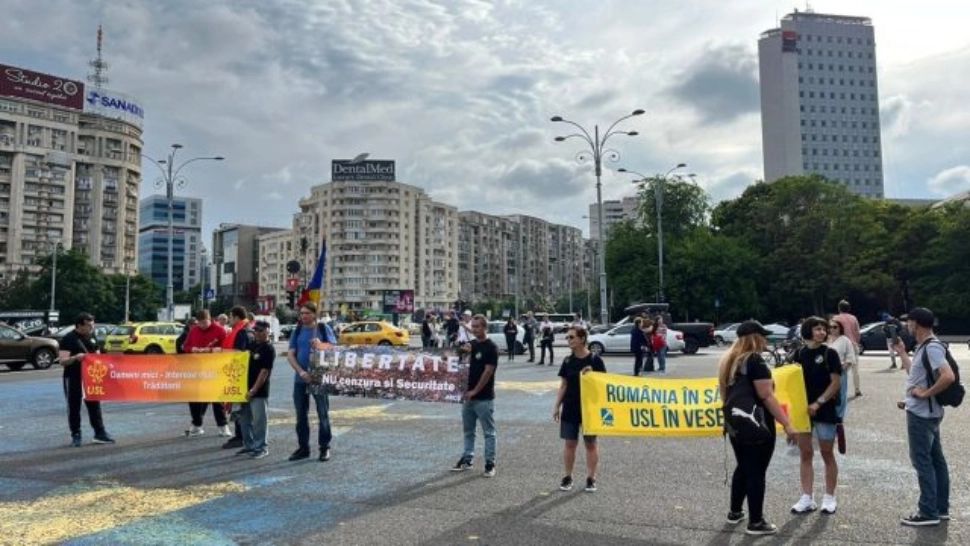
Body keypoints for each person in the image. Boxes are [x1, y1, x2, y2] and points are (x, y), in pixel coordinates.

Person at [718, 320, 796, 536]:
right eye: (763, 336)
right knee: (756, 472)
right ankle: (756, 521)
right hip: (757, 423)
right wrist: (787, 424)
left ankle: (735, 512)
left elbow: (725, 394)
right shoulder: (755, 361)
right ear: (755, 338)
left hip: (735, 424)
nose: (766, 340)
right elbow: (767, 396)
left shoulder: (729, 361)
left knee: (743, 466)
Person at [895, 307, 953, 526]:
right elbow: (916, 376)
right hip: (927, 411)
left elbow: (948, 376)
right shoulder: (925, 347)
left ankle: (928, 512)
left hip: (922, 415)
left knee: (922, 461)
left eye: (908, 322)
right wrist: (902, 353)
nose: (906, 326)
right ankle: (940, 507)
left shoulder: (932, 347)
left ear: (915, 324)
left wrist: (924, 394)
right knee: (936, 460)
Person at [790, 316, 843, 515]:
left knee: (827, 453)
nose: (822, 332)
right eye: (817, 329)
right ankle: (807, 497)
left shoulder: (830, 353)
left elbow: (836, 383)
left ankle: (829, 497)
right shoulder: (798, 354)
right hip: (802, 411)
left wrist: (819, 402)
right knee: (805, 453)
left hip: (825, 410)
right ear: (808, 331)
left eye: (824, 329)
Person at [553, 326, 606, 492]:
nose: (568, 340)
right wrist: (557, 406)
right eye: (567, 337)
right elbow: (564, 385)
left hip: (590, 409)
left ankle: (591, 478)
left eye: (572, 337)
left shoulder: (595, 360)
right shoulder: (567, 361)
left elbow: (604, 384)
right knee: (570, 443)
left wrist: (592, 375)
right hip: (570, 407)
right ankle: (568, 476)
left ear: (582, 339)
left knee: (590, 444)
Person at [287, 302, 337, 462]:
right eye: (301, 313)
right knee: (301, 415)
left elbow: (334, 349)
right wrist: (301, 372)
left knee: (323, 414)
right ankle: (303, 448)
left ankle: (324, 447)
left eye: (307, 313)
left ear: (315, 314)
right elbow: (291, 354)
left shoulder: (323, 329)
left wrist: (320, 345)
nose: (303, 316)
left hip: (319, 378)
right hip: (300, 379)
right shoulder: (298, 330)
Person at [451, 315, 498, 477]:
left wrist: (475, 391)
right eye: (473, 326)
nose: (475, 329)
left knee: (489, 432)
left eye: (478, 326)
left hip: (483, 397)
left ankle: (490, 463)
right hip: (467, 396)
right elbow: (454, 358)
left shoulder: (491, 347)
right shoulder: (471, 345)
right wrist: (459, 350)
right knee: (468, 431)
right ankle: (467, 459)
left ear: (485, 328)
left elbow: (488, 372)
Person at [59, 312, 114, 447]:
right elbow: (62, 361)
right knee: (74, 406)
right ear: (79, 325)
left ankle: (99, 433)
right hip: (73, 376)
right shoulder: (68, 338)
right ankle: (76, 434)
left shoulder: (92, 336)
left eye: (92, 325)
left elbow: (98, 354)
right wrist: (75, 358)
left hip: (91, 377)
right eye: (89, 325)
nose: (92, 328)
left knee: (94, 404)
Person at [183, 309, 229, 437]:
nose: (203, 325)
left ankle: (223, 426)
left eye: (205, 322)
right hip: (197, 369)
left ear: (210, 320)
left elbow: (226, 348)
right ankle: (197, 425)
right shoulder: (194, 331)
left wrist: (212, 350)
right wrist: (193, 349)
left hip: (215, 369)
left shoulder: (220, 330)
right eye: (200, 323)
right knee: (194, 398)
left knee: (217, 399)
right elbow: (185, 346)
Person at [237, 320, 275, 459]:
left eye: (261, 330)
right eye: (256, 330)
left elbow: (264, 371)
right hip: (244, 388)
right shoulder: (252, 345)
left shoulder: (268, 349)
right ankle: (249, 445)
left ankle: (261, 447)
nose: (257, 333)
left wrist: (254, 389)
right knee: (244, 419)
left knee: (259, 420)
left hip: (258, 390)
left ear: (267, 332)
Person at [220, 306, 254, 450]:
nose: (229, 319)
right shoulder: (246, 329)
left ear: (237, 317)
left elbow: (239, 353)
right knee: (240, 407)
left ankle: (241, 437)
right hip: (243, 374)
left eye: (230, 317)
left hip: (240, 376)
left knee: (240, 407)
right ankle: (240, 435)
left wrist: (220, 351)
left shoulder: (241, 332)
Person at [827, 320, 857, 446]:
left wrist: (842, 368)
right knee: (828, 396)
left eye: (835, 327)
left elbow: (850, 358)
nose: (832, 329)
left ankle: (838, 420)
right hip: (825, 373)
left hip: (839, 372)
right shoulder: (826, 340)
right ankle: (829, 419)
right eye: (830, 327)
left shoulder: (845, 340)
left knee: (840, 396)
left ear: (840, 328)